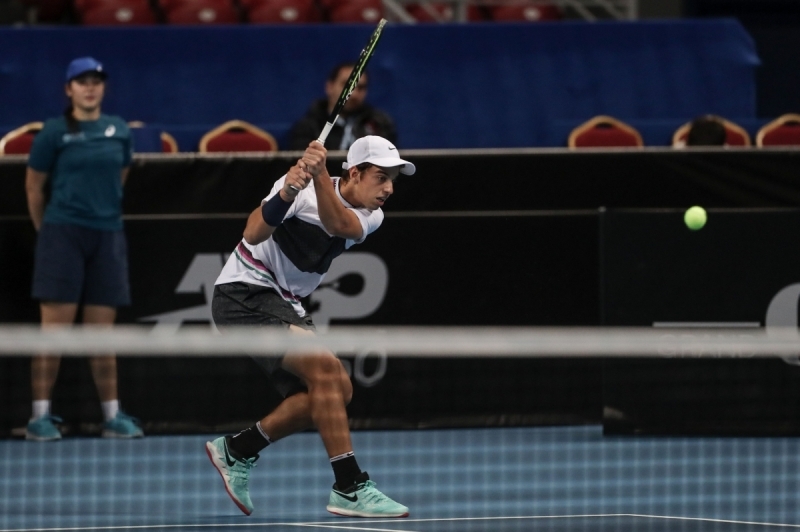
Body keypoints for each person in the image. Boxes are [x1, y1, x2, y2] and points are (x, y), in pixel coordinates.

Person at [206, 135, 414, 518]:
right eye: (381, 177)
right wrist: (286, 191)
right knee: (326, 371)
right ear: (355, 173)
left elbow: (338, 223)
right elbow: (252, 233)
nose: (388, 189)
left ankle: (237, 450)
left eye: (392, 180)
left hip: (285, 302)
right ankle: (349, 486)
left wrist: (317, 174)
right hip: (243, 293)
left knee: (337, 390)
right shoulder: (300, 191)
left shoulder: (371, 215)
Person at [24, 57, 143, 441]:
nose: (90, 87)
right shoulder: (53, 133)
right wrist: (49, 232)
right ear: (69, 89)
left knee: (101, 334)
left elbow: (120, 177)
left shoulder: (119, 130)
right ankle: (39, 417)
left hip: (108, 238)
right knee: (53, 333)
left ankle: (112, 416)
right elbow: (33, 187)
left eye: (96, 81)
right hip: (62, 236)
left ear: (103, 88)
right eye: (82, 81)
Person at [288, 62, 397, 151]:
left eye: (361, 87)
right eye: (347, 86)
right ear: (329, 87)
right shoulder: (309, 127)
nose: (353, 94)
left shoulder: (379, 124)